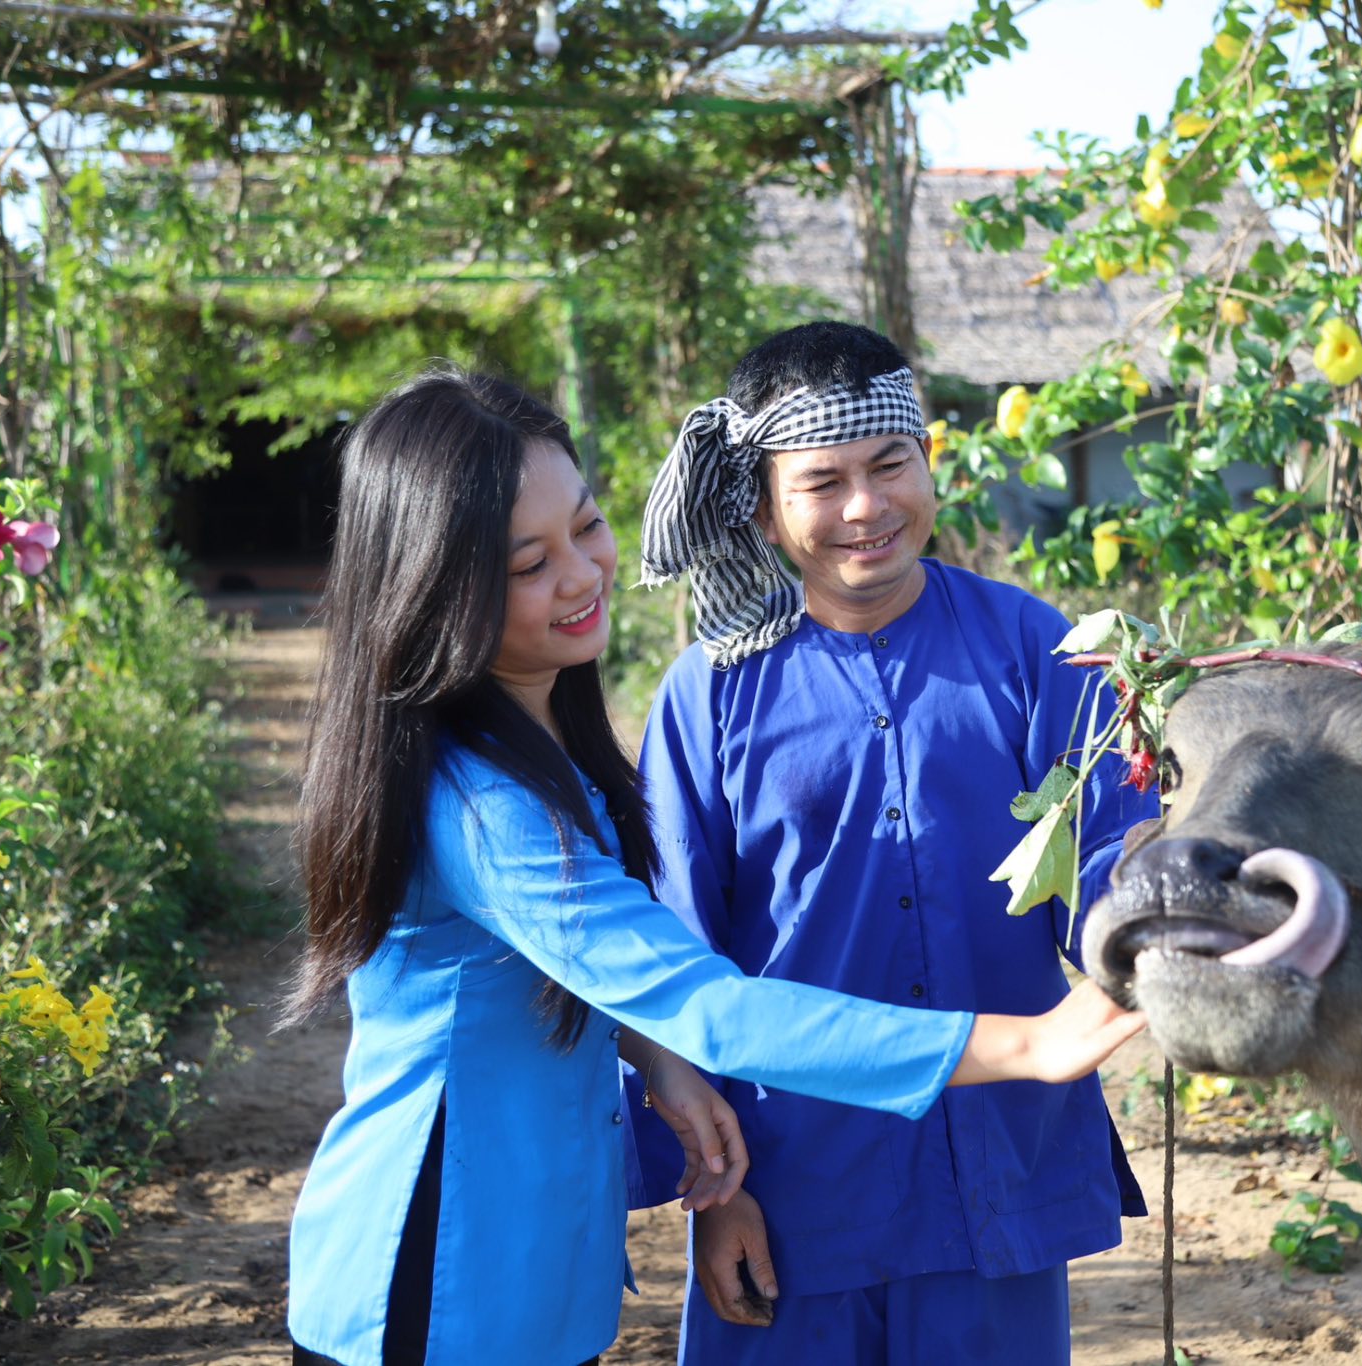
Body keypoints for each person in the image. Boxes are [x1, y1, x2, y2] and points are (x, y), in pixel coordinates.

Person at [282, 366, 1148, 1366]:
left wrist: (662, 1070)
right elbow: (701, 992)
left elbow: (611, 968)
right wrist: (1030, 1046)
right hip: (444, 1271)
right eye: (527, 562)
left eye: (588, 525)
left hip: (543, 1269)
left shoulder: (552, 743)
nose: (580, 573)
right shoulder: (493, 796)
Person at [636, 322, 1160, 1364]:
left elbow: (1113, 858)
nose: (865, 508)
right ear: (761, 505)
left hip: (998, 1178)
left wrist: (1158, 931)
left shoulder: (1035, 650)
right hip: (790, 1187)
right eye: (821, 481)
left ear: (930, 462)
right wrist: (714, 1201)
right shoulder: (708, 695)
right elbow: (667, 962)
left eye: (889, 465)